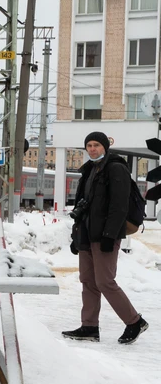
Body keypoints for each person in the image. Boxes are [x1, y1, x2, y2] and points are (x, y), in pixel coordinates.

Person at [64, 132, 148, 344]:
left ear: (105, 147)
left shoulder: (116, 168)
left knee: (104, 281)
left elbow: (119, 206)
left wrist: (110, 235)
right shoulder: (89, 170)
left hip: (104, 235)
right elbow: (82, 205)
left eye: (96, 145)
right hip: (86, 233)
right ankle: (89, 326)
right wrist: (76, 235)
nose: (92, 149)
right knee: (88, 281)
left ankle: (134, 321)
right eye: (89, 146)